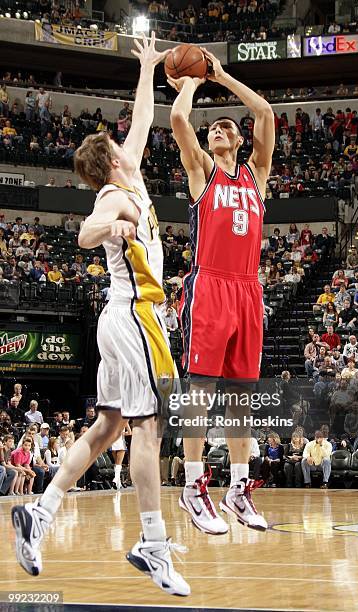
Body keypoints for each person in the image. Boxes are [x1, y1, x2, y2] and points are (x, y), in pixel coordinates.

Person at [11, 34, 189, 597]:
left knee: (108, 424)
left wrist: (146, 68)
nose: (128, 142)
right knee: (148, 426)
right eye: (119, 144)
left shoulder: (129, 172)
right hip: (134, 316)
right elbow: (87, 230)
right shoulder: (115, 195)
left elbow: (142, 117)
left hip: (123, 318)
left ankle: (41, 512)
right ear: (111, 159)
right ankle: (153, 543)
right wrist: (109, 228)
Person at [169, 47, 274, 533]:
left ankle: (237, 485)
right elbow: (177, 120)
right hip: (210, 284)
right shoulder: (201, 173)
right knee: (201, 387)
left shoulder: (256, 174)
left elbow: (264, 113)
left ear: (239, 139)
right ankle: (193, 484)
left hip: (248, 290)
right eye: (214, 128)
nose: (219, 129)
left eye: (227, 127)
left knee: (241, 395)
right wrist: (190, 82)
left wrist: (222, 76)